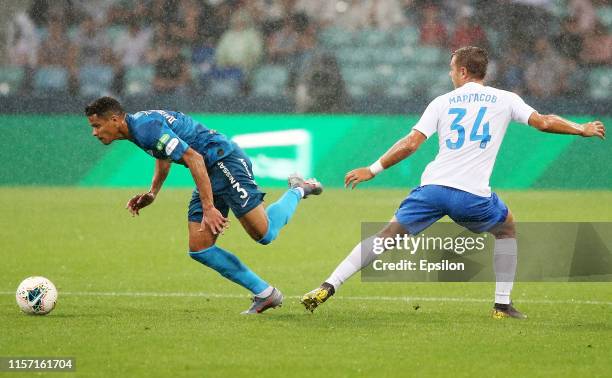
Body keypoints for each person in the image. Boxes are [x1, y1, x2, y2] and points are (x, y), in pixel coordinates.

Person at [301, 46, 606, 319]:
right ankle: (502, 306)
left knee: (386, 236)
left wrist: (373, 169)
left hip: (432, 189)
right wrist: (581, 128)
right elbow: (544, 122)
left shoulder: (442, 102)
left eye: (451, 69)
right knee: (507, 228)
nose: (450, 75)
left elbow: (410, 143)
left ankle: (328, 285)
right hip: (472, 196)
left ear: (462, 71)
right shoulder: (506, 99)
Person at [85, 96, 323, 314]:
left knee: (264, 234)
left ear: (115, 120)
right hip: (207, 171)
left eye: (97, 126)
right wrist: (153, 192)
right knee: (200, 247)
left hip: (223, 161)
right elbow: (163, 154)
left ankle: (298, 189)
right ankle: (266, 293)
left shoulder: (145, 128)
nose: (94, 133)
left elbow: (194, 158)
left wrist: (209, 208)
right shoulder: (139, 127)